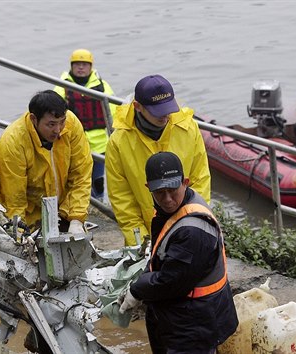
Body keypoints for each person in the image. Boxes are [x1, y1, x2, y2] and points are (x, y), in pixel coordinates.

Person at [118, 151, 238, 354]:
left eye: (172, 190)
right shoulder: (170, 211)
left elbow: (172, 281)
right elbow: (162, 256)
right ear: (148, 188)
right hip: (182, 317)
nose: (167, 199)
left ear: (185, 182)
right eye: (159, 192)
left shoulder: (193, 230)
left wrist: (138, 290)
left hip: (195, 322)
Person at [105, 75, 211, 246]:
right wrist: (140, 243)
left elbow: (200, 180)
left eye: (168, 109)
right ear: (137, 107)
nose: (165, 116)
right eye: (157, 111)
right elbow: (121, 197)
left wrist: (192, 224)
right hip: (146, 235)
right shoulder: (119, 141)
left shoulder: (188, 129)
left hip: (188, 226)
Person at [0, 89, 92, 234]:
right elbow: (14, 198)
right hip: (32, 217)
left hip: (64, 209)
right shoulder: (13, 141)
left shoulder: (71, 124)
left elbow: (81, 174)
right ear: (34, 119)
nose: (58, 130)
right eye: (51, 124)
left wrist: (77, 218)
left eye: (62, 122)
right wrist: (20, 231)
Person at [53, 49, 116, 200]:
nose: (81, 67)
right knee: (74, 179)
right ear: (72, 66)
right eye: (77, 64)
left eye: (84, 64)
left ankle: (97, 204)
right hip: (72, 143)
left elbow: (114, 112)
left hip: (99, 145)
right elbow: (53, 111)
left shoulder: (102, 86)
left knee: (98, 181)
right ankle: (75, 203)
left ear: (90, 67)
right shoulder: (62, 86)